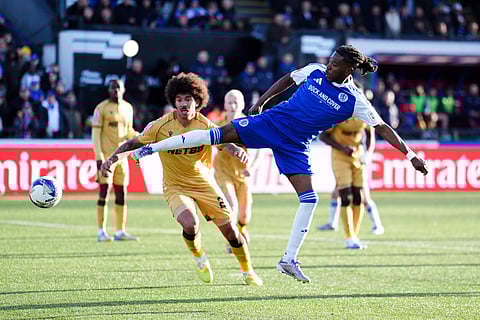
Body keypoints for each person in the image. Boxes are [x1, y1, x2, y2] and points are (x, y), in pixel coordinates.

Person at [106, 45, 428, 283]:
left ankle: (288, 260)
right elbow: (288, 79)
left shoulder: (355, 100)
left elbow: (384, 128)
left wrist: (410, 155)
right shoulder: (314, 71)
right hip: (272, 123)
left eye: (335, 64)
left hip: (296, 145)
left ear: (348, 70)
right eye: (330, 61)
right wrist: (261, 103)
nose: (329, 66)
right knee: (216, 134)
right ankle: (152, 149)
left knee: (310, 199)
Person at [101, 73, 263, 286]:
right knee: (190, 224)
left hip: (204, 184)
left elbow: (224, 141)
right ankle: (199, 257)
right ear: (174, 102)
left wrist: (235, 151)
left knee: (231, 231)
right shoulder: (160, 126)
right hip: (175, 186)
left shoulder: (205, 125)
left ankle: (248, 271)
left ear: (198, 101)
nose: (184, 104)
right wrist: (111, 160)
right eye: (179, 100)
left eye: (188, 99)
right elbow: (133, 144)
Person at [316, 119, 383, 249]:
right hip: (340, 157)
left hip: (358, 156)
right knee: (345, 196)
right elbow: (323, 136)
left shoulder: (364, 113)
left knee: (359, 197)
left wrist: (368, 153)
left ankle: (355, 236)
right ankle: (349, 237)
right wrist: (342, 148)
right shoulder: (340, 113)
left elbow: (370, 136)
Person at [214, 89, 264, 252]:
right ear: (225, 105)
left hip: (243, 175)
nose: (233, 105)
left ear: (242, 104)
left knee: (244, 215)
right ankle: (232, 241)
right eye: (230, 102)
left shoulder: (250, 124)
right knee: (231, 205)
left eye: (236, 102)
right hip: (223, 173)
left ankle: (242, 229)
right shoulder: (218, 126)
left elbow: (260, 149)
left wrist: (252, 167)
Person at [92, 79, 139, 242]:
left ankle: (120, 231)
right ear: (108, 91)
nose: (116, 91)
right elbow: (95, 135)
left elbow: (128, 131)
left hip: (122, 157)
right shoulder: (101, 108)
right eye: (113, 89)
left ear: (123, 90)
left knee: (122, 194)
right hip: (106, 157)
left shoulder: (128, 108)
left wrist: (139, 137)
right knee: (104, 192)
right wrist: (99, 157)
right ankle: (101, 231)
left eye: (118, 88)